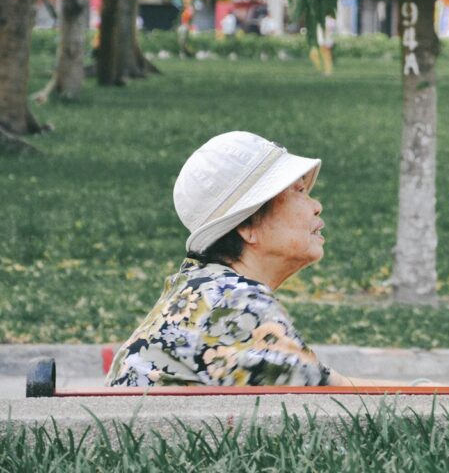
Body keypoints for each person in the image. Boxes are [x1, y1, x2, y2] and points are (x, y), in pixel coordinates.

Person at [106, 131, 403, 388]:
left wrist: (429, 389)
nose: (316, 206)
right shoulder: (234, 304)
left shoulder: (206, 290)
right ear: (247, 226)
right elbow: (330, 399)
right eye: (299, 191)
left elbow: (328, 383)